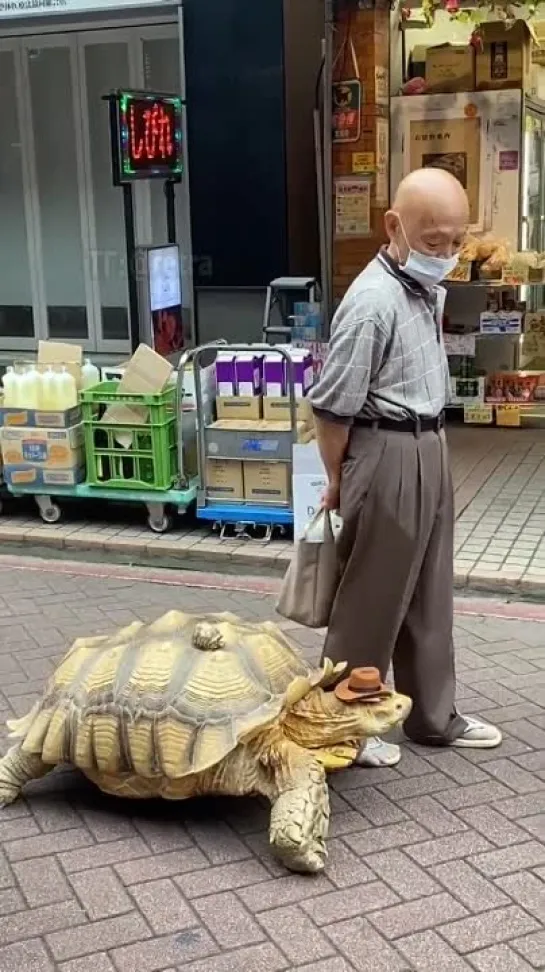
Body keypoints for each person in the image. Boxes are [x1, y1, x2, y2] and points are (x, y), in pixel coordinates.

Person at [309, 167, 502, 768]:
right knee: (371, 598)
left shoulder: (418, 289)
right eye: (432, 241)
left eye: (455, 241)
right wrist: (340, 481)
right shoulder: (371, 302)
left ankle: (431, 716)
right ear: (394, 227)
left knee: (428, 593)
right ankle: (345, 723)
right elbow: (333, 408)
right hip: (385, 449)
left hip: (427, 443)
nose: (445, 254)